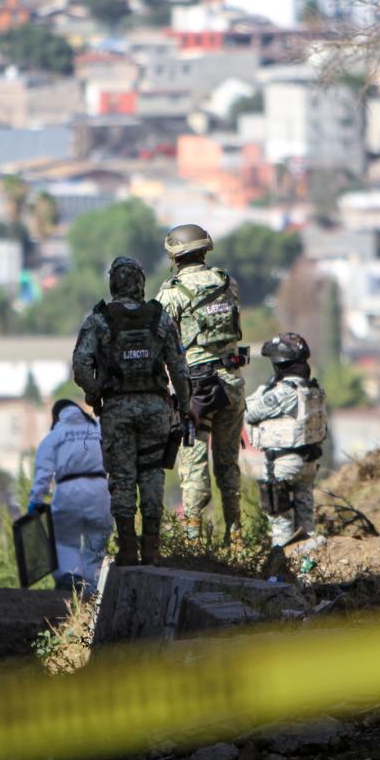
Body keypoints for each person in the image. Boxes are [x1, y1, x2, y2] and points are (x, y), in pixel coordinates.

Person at [73, 256, 191, 566]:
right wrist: (185, 406)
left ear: (113, 283)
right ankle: (151, 549)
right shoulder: (160, 318)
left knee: (122, 476)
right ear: (140, 282)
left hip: (117, 409)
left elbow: (81, 365)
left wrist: (95, 393)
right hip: (156, 409)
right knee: (152, 473)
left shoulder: (99, 320)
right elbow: (179, 369)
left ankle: (127, 549)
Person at [155, 224, 249, 541]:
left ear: (174, 255)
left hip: (197, 390)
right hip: (232, 383)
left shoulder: (171, 294)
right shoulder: (227, 282)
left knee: (194, 466)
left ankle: (193, 540)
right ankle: (236, 534)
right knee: (228, 463)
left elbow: (159, 340)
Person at [244, 333, 328, 548]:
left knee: (280, 524)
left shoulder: (284, 392)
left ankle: (283, 564)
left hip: (282, 463)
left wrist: (265, 388)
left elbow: (250, 412)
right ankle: (310, 561)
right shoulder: (313, 389)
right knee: (306, 526)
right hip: (308, 463)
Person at [26, 399, 111, 592]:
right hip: (100, 491)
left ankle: (70, 581)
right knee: (96, 545)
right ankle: (93, 592)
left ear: (56, 417)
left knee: (65, 542)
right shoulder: (98, 430)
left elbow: (43, 473)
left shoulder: (54, 437)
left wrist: (35, 501)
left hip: (68, 491)